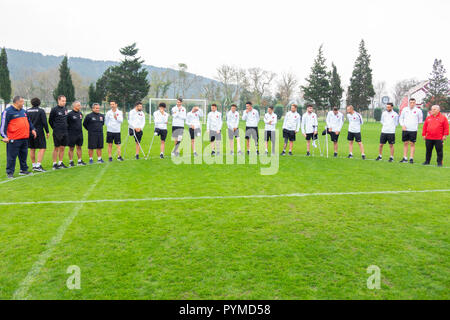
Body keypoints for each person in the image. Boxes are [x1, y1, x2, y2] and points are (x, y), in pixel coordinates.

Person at [1, 96, 36, 178]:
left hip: (24, 138)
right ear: (17, 102)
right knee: (11, 157)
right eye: (22, 102)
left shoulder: (24, 111)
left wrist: (32, 129)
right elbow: (3, 126)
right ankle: (9, 172)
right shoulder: (8, 112)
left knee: (23, 155)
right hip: (13, 139)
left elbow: (29, 122)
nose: (23, 103)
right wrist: (4, 136)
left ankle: (23, 170)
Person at [26, 97, 49, 172]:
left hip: (29, 132)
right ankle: (38, 165)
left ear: (31, 103)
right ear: (39, 103)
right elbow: (44, 122)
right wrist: (47, 132)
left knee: (32, 148)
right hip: (39, 132)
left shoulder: (27, 111)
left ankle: (33, 165)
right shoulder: (41, 111)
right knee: (42, 147)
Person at [399, 98, 423, 164]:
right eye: (411, 102)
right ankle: (405, 158)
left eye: (413, 102)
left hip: (413, 130)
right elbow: (401, 118)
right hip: (405, 129)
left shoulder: (418, 111)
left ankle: (411, 158)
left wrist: (414, 125)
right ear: (409, 103)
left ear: (415, 103)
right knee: (405, 143)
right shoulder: (405, 109)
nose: (412, 104)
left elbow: (420, 121)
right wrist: (402, 125)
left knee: (412, 144)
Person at [49, 95, 69, 169]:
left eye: (65, 101)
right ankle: (54, 164)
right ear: (58, 101)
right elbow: (50, 121)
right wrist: (55, 128)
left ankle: (60, 162)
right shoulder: (54, 109)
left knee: (63, 147)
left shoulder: (65, 109)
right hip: (57, 132)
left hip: (65, 131)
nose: (64, 102)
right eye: (62, 101)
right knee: (56, 148)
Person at [67, 101, 86, 167]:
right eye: (78, 105)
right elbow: (66, 124)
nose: (80, 106)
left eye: (80, 105)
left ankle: (79, 161)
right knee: (71, 148)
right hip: (71, 134)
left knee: (79, 147)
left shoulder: (80, 114)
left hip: (80, 134)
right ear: (74, 106)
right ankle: (71, 161)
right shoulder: (69, 114)